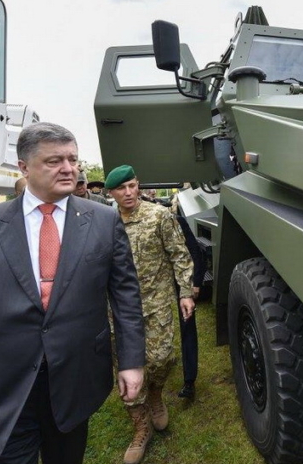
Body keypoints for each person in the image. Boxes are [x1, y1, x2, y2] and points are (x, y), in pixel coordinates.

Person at [0, 122, 146, 464]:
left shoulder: (104, 221)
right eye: (54, 161)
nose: (69, 169)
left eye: (73, 159)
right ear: (24, 167)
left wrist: (132, 361)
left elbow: (126, 296)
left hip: (75, 380)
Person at [106, 165, 194, 464]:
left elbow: (179, 254)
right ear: (111, 193)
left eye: (132, 185)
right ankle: (141, 427)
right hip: (118, 310)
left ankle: (155, 394)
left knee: (161, 358)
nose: (129, 192)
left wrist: (185, 292)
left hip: (156, 303)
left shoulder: (159, 216)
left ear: (138, 185)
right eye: (121, 188)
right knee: (126, 368)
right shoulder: (105, 222)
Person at [172, 203, 206, 400]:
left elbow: (195, 252)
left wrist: (196, 282)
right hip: (157, 285)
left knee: (187, 326)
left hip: (181, 282)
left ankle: (189, 381)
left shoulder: (176, 221)